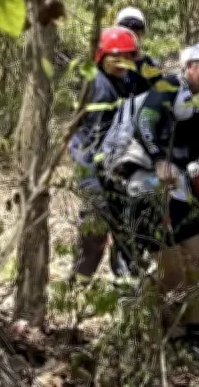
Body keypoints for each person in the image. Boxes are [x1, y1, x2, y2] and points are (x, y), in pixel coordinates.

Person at [127, 41, 199, 346]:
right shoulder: (169, 86)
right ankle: (142, 322)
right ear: (190, 66)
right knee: (170, 268)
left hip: (181, 188)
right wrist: (159, 158)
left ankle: (196, 329)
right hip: (149, 185)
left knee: (197, 258)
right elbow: (144, 121)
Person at [68, 27, 141, 284]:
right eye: (117, 57)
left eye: (128, 57)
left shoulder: (123, 82)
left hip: (114, 170)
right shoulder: (99, 87)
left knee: (125, 228)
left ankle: (125, 286)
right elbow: (89, 138)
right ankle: (77, 287)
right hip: (92, 169)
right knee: (95, 231)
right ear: (101, 56)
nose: (123, 63)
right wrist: (92, 180)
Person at [115, 6, 162, 94]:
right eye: (125, 26)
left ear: (142, 33)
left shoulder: (151, 64)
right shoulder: (110, 65)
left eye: (136, 27)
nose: (131, 32)